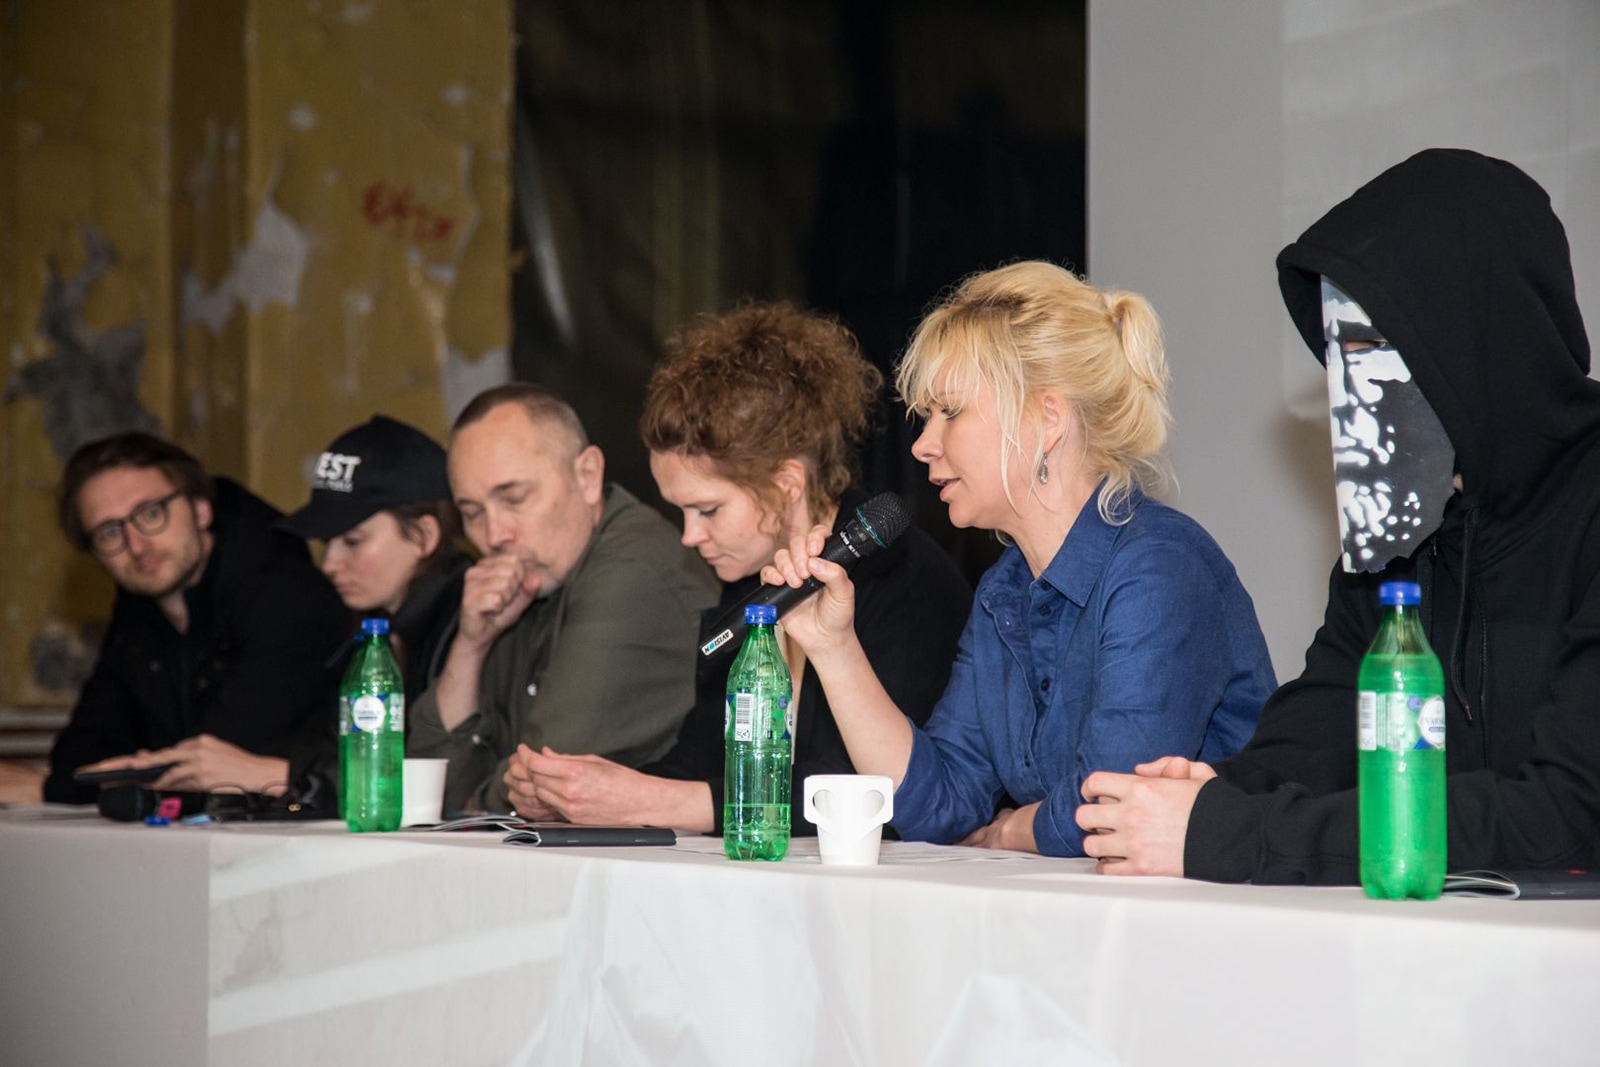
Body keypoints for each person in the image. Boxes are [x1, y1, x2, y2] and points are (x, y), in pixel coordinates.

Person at [1076, 149, 1600, 883]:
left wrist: (1230, 833)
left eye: (1378, 349)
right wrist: (1216, 790)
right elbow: (1325, 723)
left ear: (1476, 342)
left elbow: (1568, 815)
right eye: (1339, 353)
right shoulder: (1408, 526)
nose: (1350, 392)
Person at [766, 261, 1277, 856]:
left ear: (1047, 420)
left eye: (950, 413)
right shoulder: (1003, 588)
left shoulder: (1161, 569)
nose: (924, 445)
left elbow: (1112, 808)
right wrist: (833, 647)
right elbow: (941, 804)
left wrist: (1012, 829)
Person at [503, 303, 972, 833]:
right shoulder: (747, 578)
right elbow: (701, 764)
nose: (689, 536)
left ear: (786, 484)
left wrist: (649, 803)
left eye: (708, 510)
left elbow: (867, 795)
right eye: (679, 512)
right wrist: (581, 793)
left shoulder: (902, 579)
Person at [408, 383, 720, 813]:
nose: (495, 535)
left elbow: (544, 775)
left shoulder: (633, 572)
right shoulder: (530, 582)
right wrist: (471, 645)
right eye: (472, 513)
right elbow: (426, 787)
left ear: (587, 477)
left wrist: (470, 797)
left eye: (514, 498)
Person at [7, 432, 349, 803]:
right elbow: (81, 754)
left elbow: (207, 770)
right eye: (110, 532)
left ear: (201, 510)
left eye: (151, 513)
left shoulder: (286, 596)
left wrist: (57, 787)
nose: (137, 545)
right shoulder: (139, 611)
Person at [278, 414, 471, 697]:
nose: (330, 564)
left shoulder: (473, 626)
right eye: (326, 542)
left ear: (424, 536)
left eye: (353, 541)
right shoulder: (368, 627)